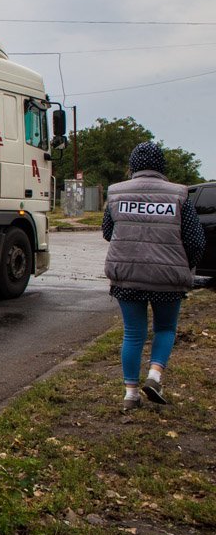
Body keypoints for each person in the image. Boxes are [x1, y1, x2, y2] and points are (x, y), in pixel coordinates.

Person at [102, 141, 205, 412]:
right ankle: (155, 376)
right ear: (161, 165)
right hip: (168, 278)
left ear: (133, 165)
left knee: (133, 334)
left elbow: (107, 232)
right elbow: (195, 241)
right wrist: (186, 267)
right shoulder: (179, 195)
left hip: (127, 277)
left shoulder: (115, 193)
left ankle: (131, 394)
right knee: (165, 328)